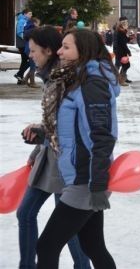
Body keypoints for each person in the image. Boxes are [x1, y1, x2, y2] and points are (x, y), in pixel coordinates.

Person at [35, 29, 118, 268]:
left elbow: (102, 136)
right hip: (81, 176)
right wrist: (42, 134)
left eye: (66, 47)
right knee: (92, 246)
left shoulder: (93, 84)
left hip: (87, 178)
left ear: (84, 50)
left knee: (47, 245)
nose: (59, 51)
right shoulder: (77, 79)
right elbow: (74, 127)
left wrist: (98, 184)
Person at [18, 26, 91, 269]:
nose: (30, 55)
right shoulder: (50, 76)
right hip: (49, 156)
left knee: (67, 227)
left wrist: (42, 134)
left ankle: (82, 266)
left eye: (33, 50)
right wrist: (38, 142)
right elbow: (53, 121)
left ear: (48, 51)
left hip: (65, 161)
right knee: (26, 213)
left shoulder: (65, 79)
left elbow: (70, 125)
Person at [15, 9, 33, 85]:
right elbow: (19, 32)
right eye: (29, 14)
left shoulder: (25, 20)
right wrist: (27, 37)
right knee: (30, 60)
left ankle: (20, 77)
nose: (31, 15)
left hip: (23, 43)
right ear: (25, 14)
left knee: (25, 60)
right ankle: (19, 74)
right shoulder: (22, 21)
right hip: (22, 44)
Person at [113, 17, 131, 86]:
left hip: (120, 50)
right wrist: (128, 51)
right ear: (122, 24)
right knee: (124, 65)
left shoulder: (122, 31)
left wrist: (129, 38)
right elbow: (122, 43)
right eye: (126, 23)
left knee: (122, 65)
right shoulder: (120, 31)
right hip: (120, 51)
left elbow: (125, 40)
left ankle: (119, 79)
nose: (127, 24)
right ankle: (119, 80)